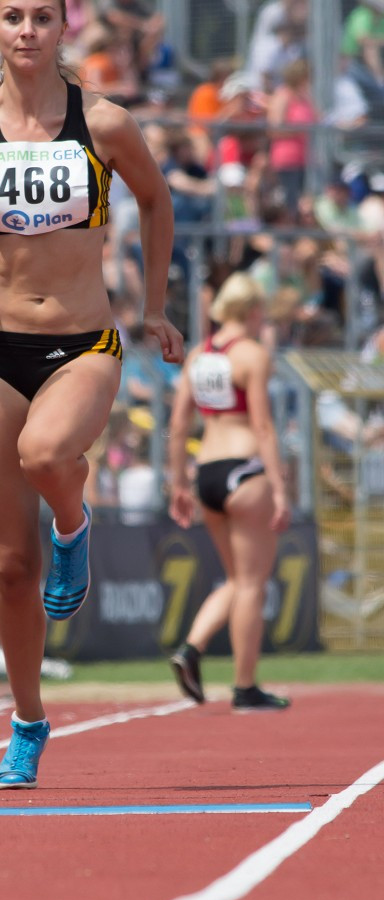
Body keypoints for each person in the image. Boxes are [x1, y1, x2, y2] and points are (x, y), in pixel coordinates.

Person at [0, 0, 182, 788]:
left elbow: (158, 201)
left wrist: (155, 305)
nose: (28, 30)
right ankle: (29, 723)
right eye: (13, 17)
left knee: (46, 456)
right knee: (6, 564)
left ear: (64, 28)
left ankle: (74, 526)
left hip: (83, 344)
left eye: (42, 17)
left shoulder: (104, 123)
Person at [167, 273, 291, 712]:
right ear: (254, 311)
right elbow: (262, 426)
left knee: (237, 580)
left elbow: (179, 424)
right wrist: (279, 488)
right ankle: (245, 686)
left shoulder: (199, 355)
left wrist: (179, 483)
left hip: (209, 473)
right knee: (253, 583)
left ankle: (192, 649)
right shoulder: (252, 355)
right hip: (246, 469)